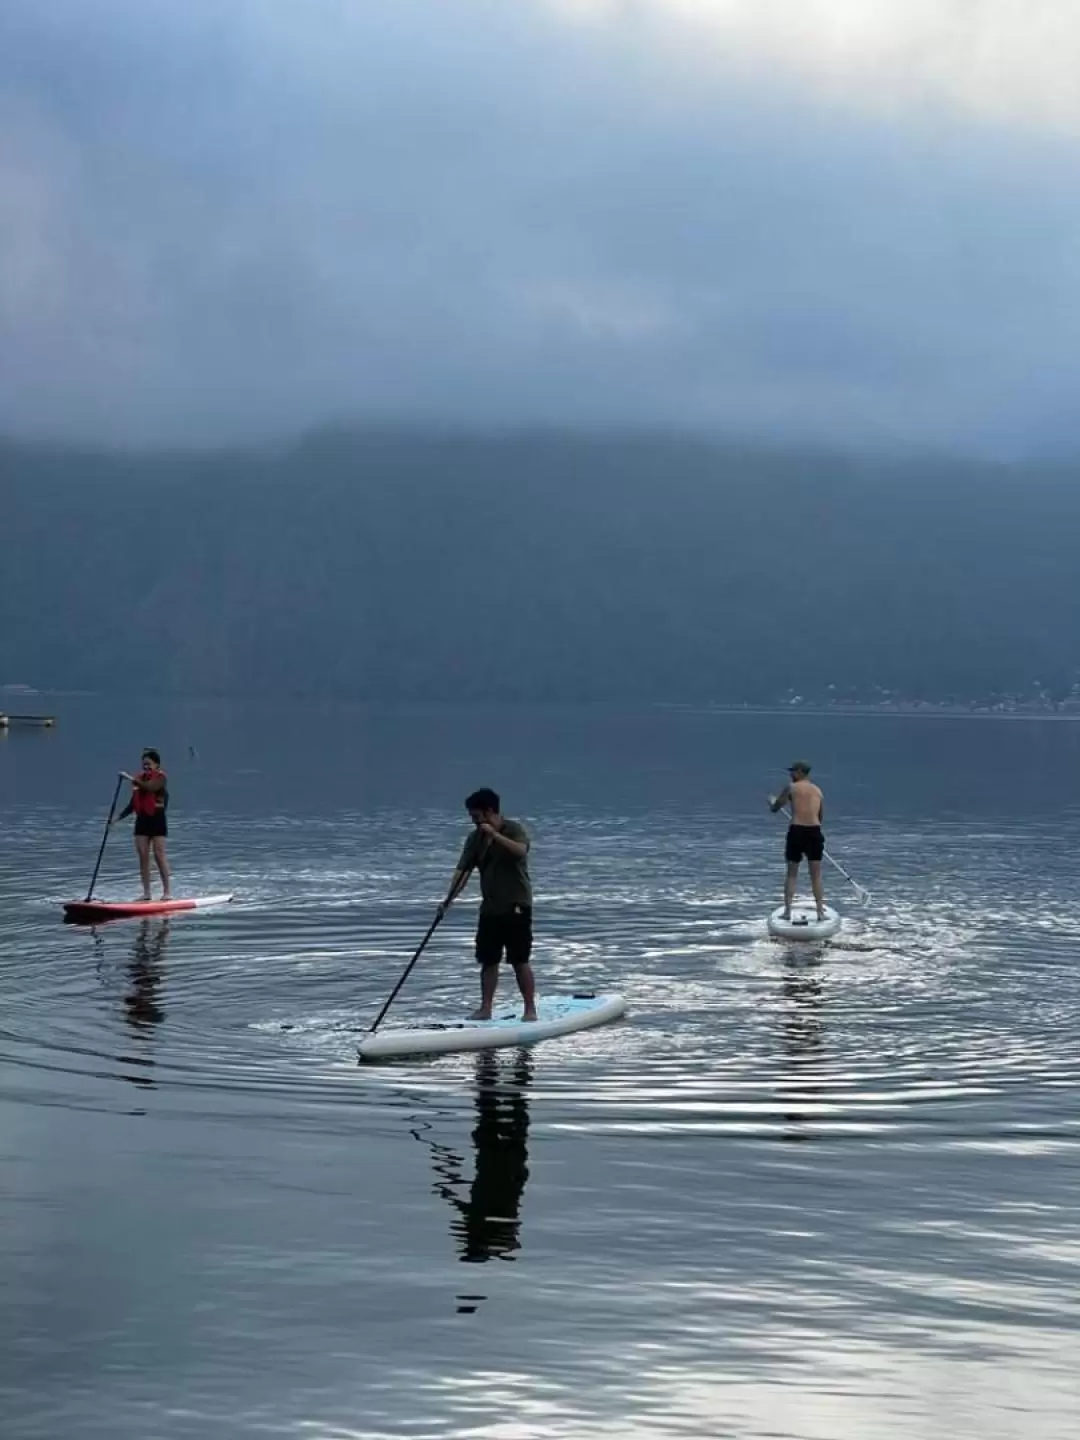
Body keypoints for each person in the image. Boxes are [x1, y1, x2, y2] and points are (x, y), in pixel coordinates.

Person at [439, 788, 537, 1022]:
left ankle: (530, 1009)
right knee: (487, 959)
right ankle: (485, 1008)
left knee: (519, 960)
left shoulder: (514, 829)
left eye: (476, 816)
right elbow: (463, 871)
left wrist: (495, 836)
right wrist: (447, 901)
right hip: (490, 908)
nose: (473, 821)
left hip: (516, 905)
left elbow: (520, 853)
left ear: (489, 811)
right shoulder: (474, 839)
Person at [111, 749, 171, 901]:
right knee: (143, 857)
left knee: (159, 855)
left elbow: (150, 788)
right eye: (144, 764)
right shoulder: (139, 779)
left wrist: (130, 778)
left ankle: (167, 892)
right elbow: (132, 804)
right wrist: (117, 818)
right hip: (142, 822)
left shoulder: (161, 778)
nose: (146, 767)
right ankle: (147, 893)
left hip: (157, 821)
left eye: (149, 764)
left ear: (156, 764)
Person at [769, 761, 826, 922]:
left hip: (797, 831)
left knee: (792, 873)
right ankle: (820, 912)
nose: (791, 774)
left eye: (793, 772)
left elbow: (776, 807)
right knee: (816, 875)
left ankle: (787, 911)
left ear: (801, 772)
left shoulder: (791, 788)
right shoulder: (818, 791)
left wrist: (772, 803)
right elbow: (820, 817)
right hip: (814, 831)